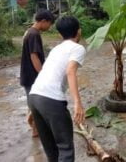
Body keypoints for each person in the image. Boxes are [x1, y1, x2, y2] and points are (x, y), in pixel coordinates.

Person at [28, 16, 86, 162]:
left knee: (50, 147)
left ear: (60, 35)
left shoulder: (56, 49)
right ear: (78, 32)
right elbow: (70, 71)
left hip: (34, 97)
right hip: (51, 101)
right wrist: (78, 103)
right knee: (65, 147)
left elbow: (45, 73)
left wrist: (33, 108)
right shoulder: (78, 48)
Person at [20, 9, 55, 137]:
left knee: (32, 102)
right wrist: (42, 75)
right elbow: (34, 56)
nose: (49, 27)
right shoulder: (34, 34)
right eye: (50, 24)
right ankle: (35, 130)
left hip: (27, 74)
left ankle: (35, 127)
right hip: (31, 76)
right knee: (34, 103)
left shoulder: (29, 31)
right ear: (44, 21)